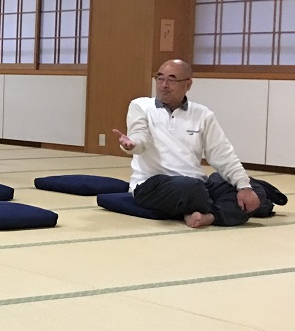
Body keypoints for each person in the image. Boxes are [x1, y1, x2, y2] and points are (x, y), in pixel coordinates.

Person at [113, 59, 281, 228]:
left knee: (255, 190)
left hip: (197, 184)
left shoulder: (202, 114)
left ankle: (209, 216)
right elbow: (140, 136)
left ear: (188, 84)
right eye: (160, 78)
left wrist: (244, 186)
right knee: (189, 187)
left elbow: (222, 154)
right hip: (153, 185)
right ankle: (221, 211)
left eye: (171, 80)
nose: (164, 85)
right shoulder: (140, 106)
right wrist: (132, 144)